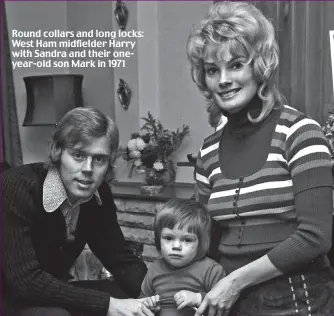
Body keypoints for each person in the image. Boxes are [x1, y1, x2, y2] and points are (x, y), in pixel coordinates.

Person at [186, 1, 334, 315]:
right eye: (213, 70)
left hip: (298, 298)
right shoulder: (207, 153)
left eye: (236, 64)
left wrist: (235, 282)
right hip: (231, 301)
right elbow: (207, 241)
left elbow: (315, 237)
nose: (223, 79)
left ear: (260, 66)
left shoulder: (300, 133)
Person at [2, 107, 154, 316]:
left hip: (49, 295)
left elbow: (120, 259)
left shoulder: (99, 194)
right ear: (56, 151)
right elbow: (25, 282)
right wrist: (110, 305)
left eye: (99, 159)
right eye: (78, 155)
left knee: (130, 297)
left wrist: (158, 296)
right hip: (10, 297)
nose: (88, 169)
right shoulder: (16, 186)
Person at [140, 199, 226, 316]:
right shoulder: (155, 268)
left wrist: (198, 298)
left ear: (201, 243)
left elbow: (222, 305)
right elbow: (141, 300)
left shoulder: (212, 270)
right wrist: (149, 305)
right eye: (169, 238)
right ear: (158, 238)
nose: (176, 246)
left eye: (187, 240)